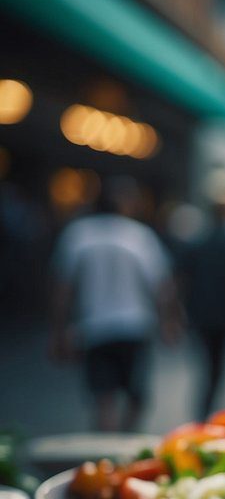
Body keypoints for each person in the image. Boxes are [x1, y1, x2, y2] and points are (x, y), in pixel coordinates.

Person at [49, 178, 180, 431]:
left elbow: (62, 288)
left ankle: (104, 453)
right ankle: (122, 445)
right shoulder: (139, 235)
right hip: (134, 326)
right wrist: (169, 321)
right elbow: (162, 285)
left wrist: (58, 331)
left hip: (94, 327)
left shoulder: (79, 234)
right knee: (136, 396)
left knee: (103, 397)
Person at [176, 202, 225, 418]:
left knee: (206, 365)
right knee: (220, 367)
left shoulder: (196, 244)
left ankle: (207, 408)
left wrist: (177, 313)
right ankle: (214, 409)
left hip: (201, 315)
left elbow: (180, 279)